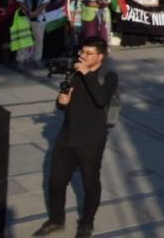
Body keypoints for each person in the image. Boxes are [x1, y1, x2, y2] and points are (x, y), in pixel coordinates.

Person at [33, 37, 117, 238]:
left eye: (88, 54)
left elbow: (101, 99)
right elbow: (65, 101)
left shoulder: (108, 75)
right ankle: (56, 219)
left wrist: (87, 73)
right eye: (82, 52)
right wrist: (62, 101)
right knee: (55, 181)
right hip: (67, 135)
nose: (83, 57)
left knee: (90, 182)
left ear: (101, 56)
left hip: (91, 139)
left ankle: (87, 223)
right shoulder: (75, 71)